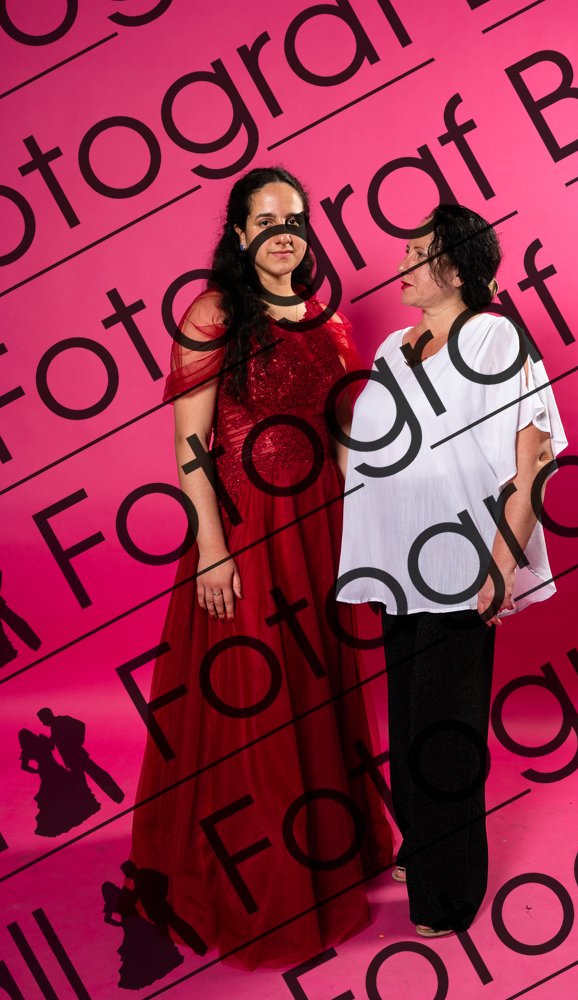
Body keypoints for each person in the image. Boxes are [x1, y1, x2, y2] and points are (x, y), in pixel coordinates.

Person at [129, 166, 393, 969]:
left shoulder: (327, 318)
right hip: (246, 528)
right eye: (268, 219)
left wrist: (365, 526)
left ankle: (331, 850)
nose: (285, 232)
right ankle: (267, 884)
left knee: (317, 686)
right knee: (258, 695)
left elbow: (341, 435)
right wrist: (211, 547)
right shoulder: (213, 313)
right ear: (240, 234)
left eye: (296, 219)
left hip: (319, 527)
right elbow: (190, 443)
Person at [336, 203, 567, 937]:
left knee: (445, 734)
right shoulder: (391, 347)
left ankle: (450, 892)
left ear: (459, 268)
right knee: (408, 717)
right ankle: (420, 846)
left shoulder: (496, 337)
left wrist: (501, 566)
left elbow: (532, 460)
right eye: (405, 251)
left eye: (417, 253)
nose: (401, 265)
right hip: (398, 566)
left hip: (461, 565)